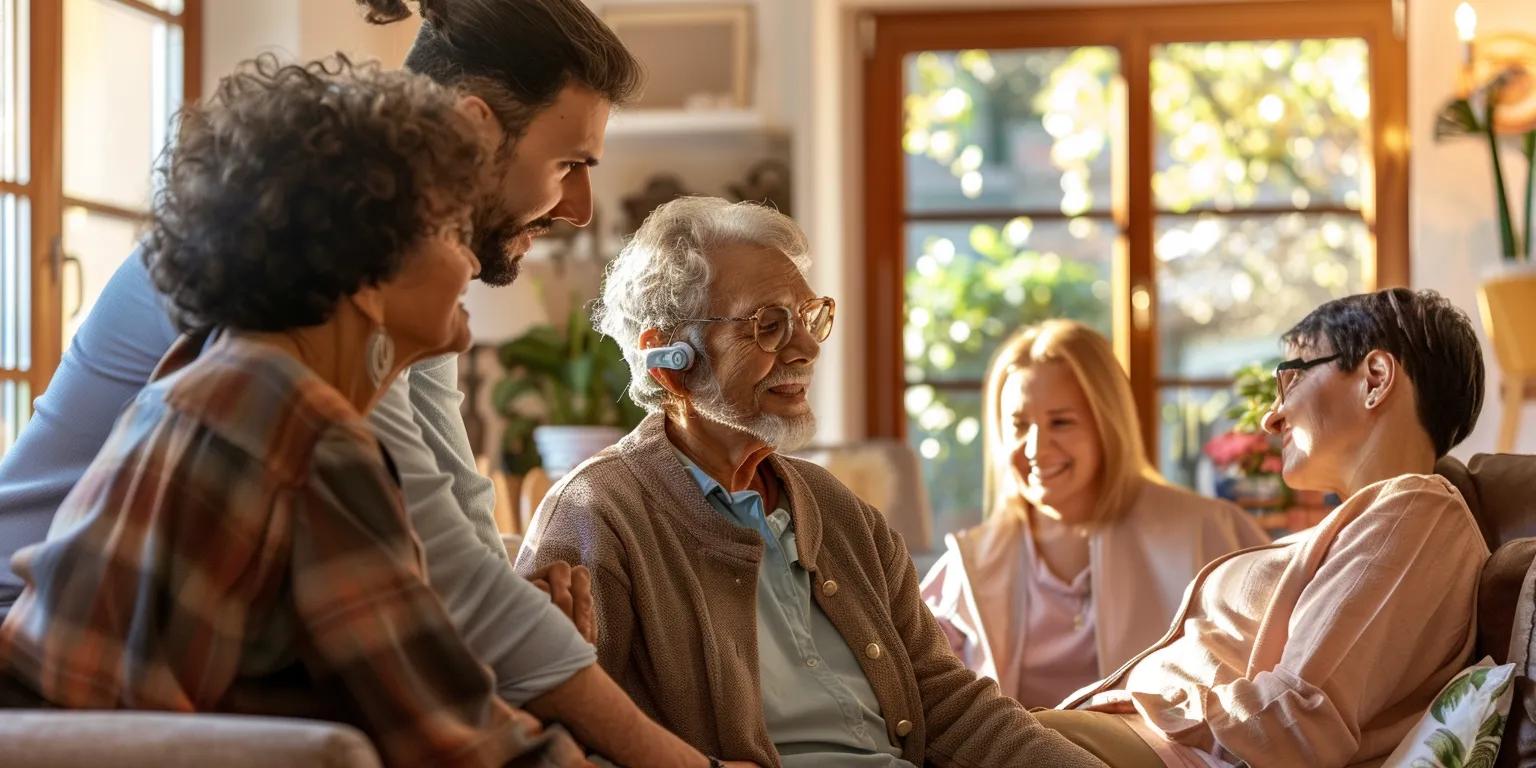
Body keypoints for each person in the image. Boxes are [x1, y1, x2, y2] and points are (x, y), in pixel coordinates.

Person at [0, 1, 725, 765]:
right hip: (77, 707)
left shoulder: (293, 340)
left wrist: (503, 653)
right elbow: (456, 672)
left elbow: (449, 539)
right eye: (570, 163)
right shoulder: (299, 402)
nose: (579, 208)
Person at [515, 196, 1106, 768]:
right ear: (668, 357)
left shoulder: (838, 510)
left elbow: (948, 705)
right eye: (768, 325)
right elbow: (547, 735)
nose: (806, 348)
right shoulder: (598, 514)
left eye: (809, 317)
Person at [1033, 288, 1490, 768]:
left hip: (1165, 750)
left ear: (1375, 379)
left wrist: (1150, 702)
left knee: (954, 719)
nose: (1271, 417)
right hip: (1138, 740)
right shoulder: (1368, 524)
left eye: (1291, 378)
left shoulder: (1416, 512)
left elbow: (1297, 722)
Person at [921, 320, 1268, 709]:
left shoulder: (1208, 530)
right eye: (1019, 425)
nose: (1035, 448)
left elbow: (1271, 670)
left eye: (1061, 422)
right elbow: (912, 686)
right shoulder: (969, 566)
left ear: (1108, 424)